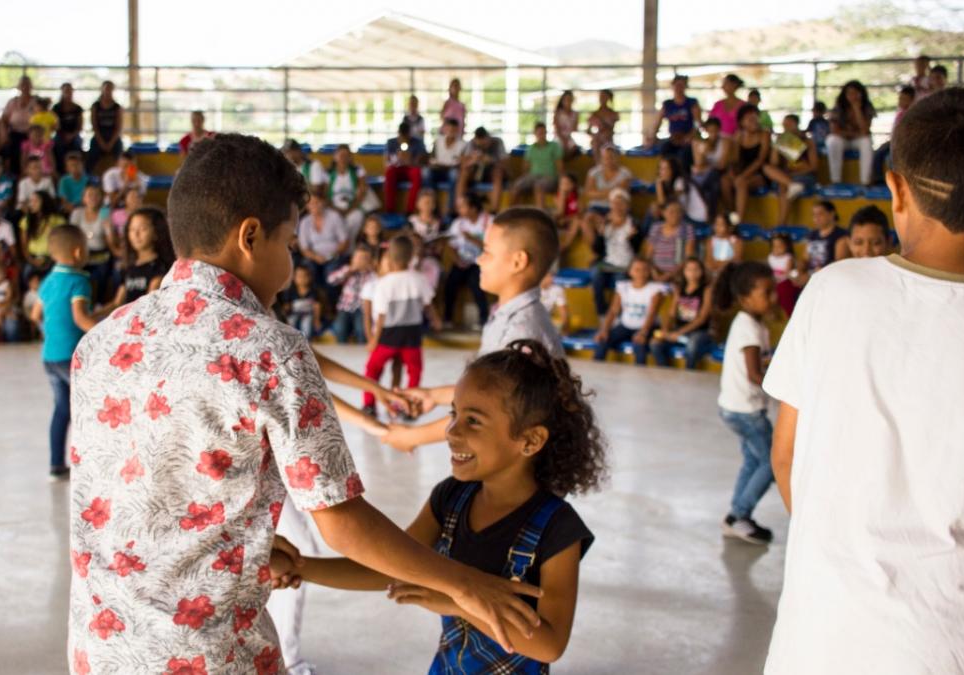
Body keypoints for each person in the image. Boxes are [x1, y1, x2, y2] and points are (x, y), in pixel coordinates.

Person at [68, 133, 544, 674]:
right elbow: (340, 519)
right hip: (208, 656)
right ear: (250, 236)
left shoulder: (103, 341)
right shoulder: (268, 348)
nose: (292, 262)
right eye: (290, 242)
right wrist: (466, 584)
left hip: (100, 648)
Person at [763, 87, 964, 674]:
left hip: (817, 637)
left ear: (896, 189)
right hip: (954, 647)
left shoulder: (834, 290)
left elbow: (784, 457)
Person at [285, 338, 602, 673]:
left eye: (474, 421)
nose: (452, 431)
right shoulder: (451, 497)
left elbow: (549, 645)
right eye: (454, 413)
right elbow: (390, 566)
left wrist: (458, 602)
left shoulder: (558, 528)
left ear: (530, 440)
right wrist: (302, 567)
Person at [381, 207, 565, 453]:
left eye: (487, 252)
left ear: (518, 261)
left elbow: (489, 411)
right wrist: (433, 396)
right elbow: (487, 388)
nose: (479, 259)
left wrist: (415, 436)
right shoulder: (507, 315)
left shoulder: (520, 331)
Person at [711, 261, 778, 544]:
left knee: (753, 460)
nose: (773, 297)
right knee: (773, 462)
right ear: (745, 297)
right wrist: (783, 385)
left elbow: (754, 364)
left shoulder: (750, 324)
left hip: (734, 408)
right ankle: (740, 514)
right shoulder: (749, 328)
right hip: (746, 412)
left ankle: (736, 516)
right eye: (766, 292)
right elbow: (753, 374)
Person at [30, 226, 97, 480]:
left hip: (49, 356)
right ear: (78, 252)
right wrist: (108, 332)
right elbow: (81, 318)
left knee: (61, 409)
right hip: (71, 357)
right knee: (89, 407)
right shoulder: (79, 281)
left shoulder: (48, 281)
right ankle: (90, 465)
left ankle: (56, 464)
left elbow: (35, 314)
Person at [364, 235, 437, 414]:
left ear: (389, 255)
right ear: (412, 255)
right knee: (414, 370)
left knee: (373, 368)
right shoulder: (419, 279)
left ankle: (369, 404)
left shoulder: (383, 283)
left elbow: (380, 316)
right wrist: (436, 319)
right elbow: (428, 304)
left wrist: (374, 339)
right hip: (412, 335)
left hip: (389, 335)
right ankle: (410, 404)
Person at [593, 257, 663, 366]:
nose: (641, 273)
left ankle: (640, 377)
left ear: (649, 272)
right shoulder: (623, 287)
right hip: (626, 325)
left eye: (644, 269)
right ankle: (595, 372)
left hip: (647, 327)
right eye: (637, 269)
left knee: (639, 346)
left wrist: (643, 333)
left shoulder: (655, 290)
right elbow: (613, 310)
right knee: (602, 340)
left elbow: (652, 314)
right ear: (630, 271)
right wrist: (604, 329)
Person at [104, 207, 175, 309]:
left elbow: (148, 307)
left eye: (143, 229)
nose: (136, 234)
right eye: (132, 229)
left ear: (156, 232)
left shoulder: (160, 267)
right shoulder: (128, 266)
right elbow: (116, 303)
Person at [651, 257, 714, 369]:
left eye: (696, 269)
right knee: (655, 343)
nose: (692, 273)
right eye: (689, 269)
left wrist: (679, 333)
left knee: (692, 345)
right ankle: (666, 372)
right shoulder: (679, 289)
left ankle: (688, 373)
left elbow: (702, 318)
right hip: (678, 331)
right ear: (683, 271)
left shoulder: (706, 290)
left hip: (699, 332)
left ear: (702, 271)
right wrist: (665, 330)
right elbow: (671, 314)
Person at [444, 193, 492, 328]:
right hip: (461, 262)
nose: (459, 210)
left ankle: (483, 319)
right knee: (450, 284)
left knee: (477, 284)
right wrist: (457, 260)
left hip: (482, 262)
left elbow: (493, 247)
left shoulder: (488, 221)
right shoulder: (457, 223)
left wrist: (472, 239)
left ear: (473, 208)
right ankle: (447, 318)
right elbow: (451, 246)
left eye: (462, 207)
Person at [590, 188, 638, 316]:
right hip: (608, 262)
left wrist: (632, 238)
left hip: (626, 263)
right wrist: (600, 234)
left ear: (627, 205)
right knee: (595, 276)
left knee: (620, 282)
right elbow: (596, 248)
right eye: (614, 203)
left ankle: (616, 315)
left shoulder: (633, 223)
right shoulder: (606, 223)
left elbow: (637, 248)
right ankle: (602, 313)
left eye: (621, 203)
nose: (617, 206)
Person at [723, 104, 771, 225]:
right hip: (742, 171)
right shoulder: (738, 136)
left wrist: (743, 176)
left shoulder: (764, 134)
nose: (754, 122)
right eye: (750, 119)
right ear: (742, 122)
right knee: (724, 181)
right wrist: (733, 174)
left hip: (760, 173)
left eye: (755, 118)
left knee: (741, 182)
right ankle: (731, 213)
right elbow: (733, 160)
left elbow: (760, 160)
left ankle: (739, 221)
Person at [767, 114, 817, 225]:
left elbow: (813, 167)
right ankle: (782, 223)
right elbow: (773, 164)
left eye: (789, 124)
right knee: (770, 171)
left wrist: (795, 172)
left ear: (797, 125)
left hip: (804, 176)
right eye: (784, 125)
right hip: (787, 177)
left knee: (783, 185)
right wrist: (777, 145)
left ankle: (781, 223)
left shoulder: (808, 141)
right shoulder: (783, 140)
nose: (786, 127)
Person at [296, 189, 349, 292]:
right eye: (311, 203)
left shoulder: (334, 216)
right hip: (314, 257)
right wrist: (316, 257)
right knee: (308, 272)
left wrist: (331, 255)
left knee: (330, 274)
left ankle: (331, 305)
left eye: (317, 202)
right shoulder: (304, 222)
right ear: (307, 206)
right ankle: (316, 301)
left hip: (334, 255)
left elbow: (345, 241)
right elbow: (304, 248)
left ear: (323, 202)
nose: (314, 205)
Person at [69, 183, 115, 301]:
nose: (93, 198)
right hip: (82, 254)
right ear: (84, 198)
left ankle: (99, 302)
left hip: (100, 254)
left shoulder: (105, 212)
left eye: (96, 195)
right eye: (90, 195)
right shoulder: (77, 213)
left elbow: (110, 238)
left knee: (102, 276)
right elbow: (72, 235)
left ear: (101, 198)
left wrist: (109, 230)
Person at [826, 80, 876, 185]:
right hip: (843, 139)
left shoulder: (867, 106)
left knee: (866, 142)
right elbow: (834, 131)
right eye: (849, 93)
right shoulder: (839, 106)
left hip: (858, 140)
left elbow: (865, 130)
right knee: (832, 141)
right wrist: (853, 134)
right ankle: (836, 181)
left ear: (861, 94)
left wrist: (856, 109)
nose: (852, 96)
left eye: (855, 93)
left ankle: (865, 181)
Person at [650, 75, 701, 171]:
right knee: (664, 151)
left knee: (686, 155)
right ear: (672, 86)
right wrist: (653, 136)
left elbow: (697, 123)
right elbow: (657, 123)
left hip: (688, 139)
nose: (679, 88)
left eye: (682, 85)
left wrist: (690, 136)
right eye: (677, 85)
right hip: (673, 138)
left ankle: (685, 178)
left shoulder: (692, 102)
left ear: (685, 86)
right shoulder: (667, 104)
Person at [327, 244, 376, 344]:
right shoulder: (347, 270)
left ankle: (362, 352)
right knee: (339, 328)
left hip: (362, 309)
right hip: (345, 307)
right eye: (358, 257)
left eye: (364, 258)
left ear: (369, 260)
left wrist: (370, 269)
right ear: (352, 259)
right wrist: (349, 270)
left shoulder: (372, 274)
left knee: (361, 330)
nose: (360, 261)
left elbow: (376, 284)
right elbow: (331, 280)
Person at [510, 122, 563, 207]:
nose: (542, 135)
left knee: (539, 186)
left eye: (543, 132)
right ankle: (512, 213)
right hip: (532, 177)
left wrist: (561, 181)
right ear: (535, 134)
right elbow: (525, 167)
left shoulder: (554, 146)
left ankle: (540, 215)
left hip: (549, 177)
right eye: (539, 133)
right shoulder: (530, 149)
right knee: (516, 186)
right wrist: (524, 179)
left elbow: (559, 166)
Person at [642, 201, 695, 283]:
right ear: (663, 213)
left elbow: (688, 256)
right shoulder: (656, 227)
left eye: (679, 211)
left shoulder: (687, 228)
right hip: (655, 273)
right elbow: (649, 255)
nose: (675, 215)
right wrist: (654, 272)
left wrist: (670, 274)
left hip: (678, 274)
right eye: (671, 211)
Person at [871, 85, 915, 185]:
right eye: (900, 98)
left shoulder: (912, 115)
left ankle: (897, 182)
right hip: (894, 140)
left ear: (911, 100)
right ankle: (878, 179)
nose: (901, 101)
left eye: (904, 99)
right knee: (878, 153)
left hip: (904, 142)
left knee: (891, 158)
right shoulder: (900, 113)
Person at [457, 128, 507, 213]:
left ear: (488, 138)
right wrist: (472, 160)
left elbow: (505, 165)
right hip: (476, 173)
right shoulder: (471, 143)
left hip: (493, 172)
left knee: (497, 173)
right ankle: (459, 207)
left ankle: (494, 210)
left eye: (484, 144)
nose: (482, 146)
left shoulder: (498, 142)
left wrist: (490, 160)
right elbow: (463, 165)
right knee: (463, 173)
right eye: (479, 144)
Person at [325, 144, 370, 237]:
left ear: (350, 157)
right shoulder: (328, 173)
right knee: (332, 218)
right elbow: (325, 195)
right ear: (334, 157)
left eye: (346, 155)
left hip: (352, 205)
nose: (343, 158)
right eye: (340, 155)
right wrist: (336, 210)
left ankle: (349, 246)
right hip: (334, 207)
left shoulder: (357, 170)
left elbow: (362, 193)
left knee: (357, 216)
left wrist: (349, 210)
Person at [20, 190, 67, 279]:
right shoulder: (26, 221)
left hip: (52, 258)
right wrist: (32, 260)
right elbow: (24, 245)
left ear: (44, 202)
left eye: (35, 201)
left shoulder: (58, 220)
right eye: (31, 201)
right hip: (33, 258)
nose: (32, 204)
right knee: (26, 275)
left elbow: (62, 244)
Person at [383, 122, 426, 215]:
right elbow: (387, 162)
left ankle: (410, 210)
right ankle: (390, 210)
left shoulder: (417, 142)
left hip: (411, 168)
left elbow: (419, 162)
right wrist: (397, 158)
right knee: (389, 172)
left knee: (417, 173)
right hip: (396, 169)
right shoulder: (391, 143)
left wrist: (409, 159)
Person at [0, 76, 38, 175]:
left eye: (27, 84)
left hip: (32, 135)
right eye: (22, 84)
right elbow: (3, 120)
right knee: (10, 149)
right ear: (19, 87)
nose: (25, 87)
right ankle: (12, 176)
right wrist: (4, 134)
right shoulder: (12, 102)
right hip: (14, 133)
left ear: (31, 86)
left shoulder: (37, 101)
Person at [802, 200, 850, 277]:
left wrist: (821, 271)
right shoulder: (812, 235)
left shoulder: (841, 235)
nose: (816, 218)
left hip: (829, 275)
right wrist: (800, 269)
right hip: (811, 274)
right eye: (814, 215)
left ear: (832, 214)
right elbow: (805, 259)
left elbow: (839, 262)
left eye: (820, 214)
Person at [429, 118, 467, 215]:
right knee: (425, 173)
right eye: (449, 129)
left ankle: (450, 211)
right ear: (445, 129)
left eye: (453, 130)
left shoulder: (463, 144)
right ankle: (432, 207)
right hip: (438, 170)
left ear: (457, 130)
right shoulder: (437, 141)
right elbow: (432, 159)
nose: (451, 132)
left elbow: (460, 162)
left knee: (454, 175)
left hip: (452, 171)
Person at [85, 81, 124, 176]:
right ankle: (88, 176)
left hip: (113, 137)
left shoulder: (117, 107)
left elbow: (118, 127)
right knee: (92, 154)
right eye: (106, 89)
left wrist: (111, 143)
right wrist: (101, 142)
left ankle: (119, 176)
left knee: (120, 153)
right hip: (99, 136)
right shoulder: (96, 106)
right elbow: (94, 126)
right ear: (102, 90)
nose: (108, 91)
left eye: (110, 89)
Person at [582, 144, 633, 214]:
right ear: (601, 159)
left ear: (617, 157)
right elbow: (589, 193)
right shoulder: (593, 172)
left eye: (611, 157)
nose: (609, 160)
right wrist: (612, 191)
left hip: (617, 207)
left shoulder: (625, 173)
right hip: (595, 207)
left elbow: (620, 194)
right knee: (588, 219)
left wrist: (598, 193)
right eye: (606, 158)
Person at [283, 265, 323, 340]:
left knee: (306, 323)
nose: (302, 279)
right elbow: (287, 305)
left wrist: (317, 320)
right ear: (294, 278)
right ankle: (291, 339)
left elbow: (317, 306)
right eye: (299, 276)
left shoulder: (313, 291)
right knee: (291, 321)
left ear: (309, 278)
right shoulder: (291, 291)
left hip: (308, 314)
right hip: (294, 313)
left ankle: (306, 339)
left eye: (305, 276)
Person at [53, 83, 84, 174]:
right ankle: (60, 171)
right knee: (57, 145)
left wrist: (72, 135)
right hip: (60, 135)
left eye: (70, 91)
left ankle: (78, 169)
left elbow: (80, 126)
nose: (68, 94)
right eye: (66, 91)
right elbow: (55, 125)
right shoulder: (56, 108)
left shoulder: (77, 108)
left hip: (74, 135)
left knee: (77, 144)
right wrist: (63, 135)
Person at [586, 90, 619, 161]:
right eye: (600, 96)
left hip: (608, 140)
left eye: (604, 96)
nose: (601, 98)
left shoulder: (613, 114)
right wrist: (595, 136)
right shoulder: (594, 114)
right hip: (597, 142)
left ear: (608, 98)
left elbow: (612, 130)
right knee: (595, 143)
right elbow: (588, 130)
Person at [539, 267, 568, 333]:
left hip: (546, 320)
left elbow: (563, 311)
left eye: (552, 276)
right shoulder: (532, 289)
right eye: (548, 277)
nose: (551, 279)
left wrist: (565, 329)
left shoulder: (557, 289)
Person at [552, 90, 580, 159]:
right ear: (562, 100)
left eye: (570, 99)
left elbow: (575, 129)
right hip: (559, 137)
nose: (568, 102)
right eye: (566, 99)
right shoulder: (558, 113)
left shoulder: (575, 114)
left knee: (574, 149)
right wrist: (564, 140)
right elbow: (557, 129)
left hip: (569, 137)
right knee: (559, 149)